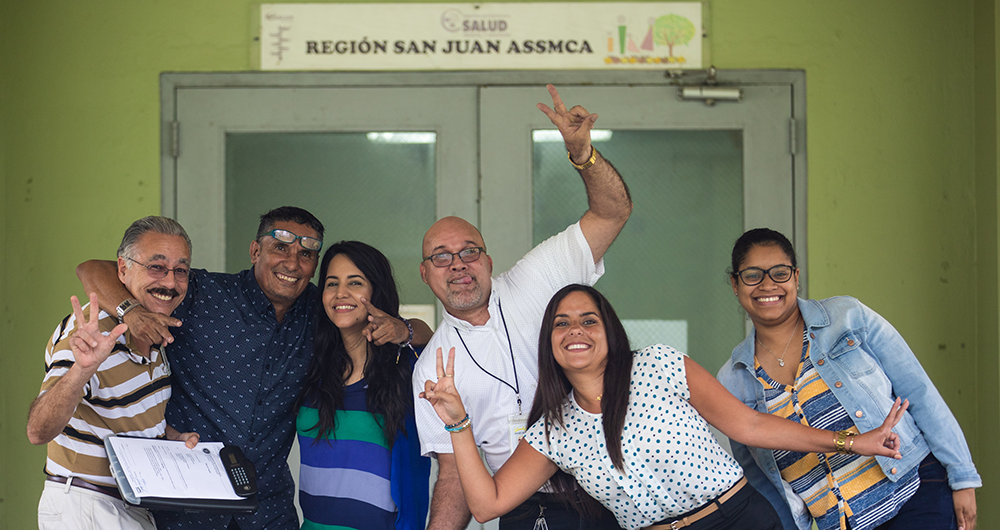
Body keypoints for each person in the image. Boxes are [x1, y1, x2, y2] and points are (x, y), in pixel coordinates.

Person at [419, 284, 911, 530]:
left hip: (736, 520)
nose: (575, 331)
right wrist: (459, 423)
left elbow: (750, 425)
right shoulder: (554, 430)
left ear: (609, 331)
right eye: (561, 323)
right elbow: (486, 506)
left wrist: (852, 441)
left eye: (588, 320)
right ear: (548, 343)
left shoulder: (658, 365)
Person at [76, 207, 416, 530]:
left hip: (268, 513)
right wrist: (132, 312)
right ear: (255, 251)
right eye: (280, 247)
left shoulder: (322, 313)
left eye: (306, 255)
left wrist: (407, 332)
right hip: (186, 510)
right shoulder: (203, 293)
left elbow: (408, 328)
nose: (292, 263)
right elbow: (91, 269)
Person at [412, 84, 633, 529]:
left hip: (609, 488)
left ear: (489, 261)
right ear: (425, 274)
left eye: (469, 251)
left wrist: (582, 154)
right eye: (441, 256)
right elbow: (454, 474)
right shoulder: (431, 368)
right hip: (523, 508)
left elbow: (612, 213)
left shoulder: (537, 276)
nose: (457, 265)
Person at [717, 228, 982, 530]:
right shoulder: (732, 380)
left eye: (780, 273)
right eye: (753, 275)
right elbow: (763, 483)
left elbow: (918, 391)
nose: (768, 285)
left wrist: (962, 477)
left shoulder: (847, 316)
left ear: (796, 277)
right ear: (735, 284)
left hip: (916, 496)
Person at [28, 216, 200, 530]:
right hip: (85, 506)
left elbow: (119, 417)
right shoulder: (89, 333)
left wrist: (172, 438)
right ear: (122, 269)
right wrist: (83, 369)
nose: (170, 282)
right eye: (156, 266)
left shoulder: (156, 333)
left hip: (130, 508)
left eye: (181, 271)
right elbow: (38, 431)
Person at [295, 241, 432, 530]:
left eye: (354, 282)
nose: (340, 293)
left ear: (376, 291)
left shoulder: (407, 368)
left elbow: (438, 339)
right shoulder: (312, 367)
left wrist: (405, 328)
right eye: (331, 283)